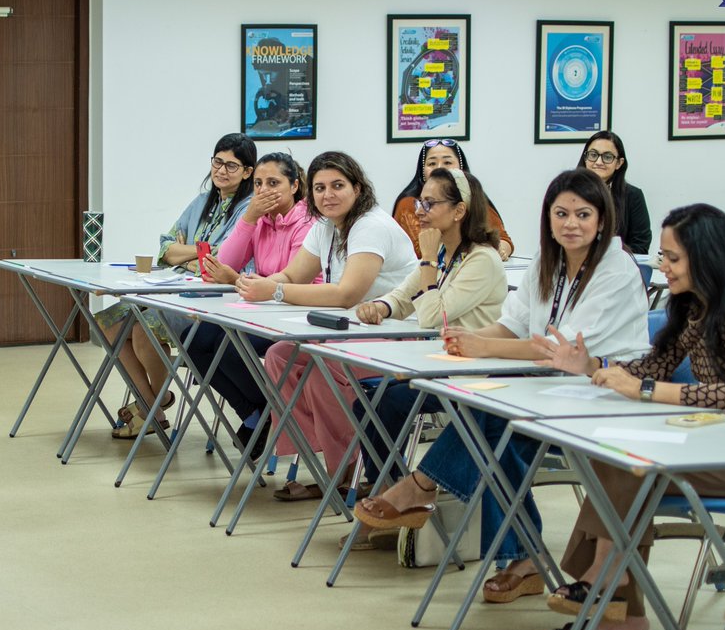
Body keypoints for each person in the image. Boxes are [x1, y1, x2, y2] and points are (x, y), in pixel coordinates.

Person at [354, 169, 649, 600]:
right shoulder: (548, 263)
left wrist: (479, 347)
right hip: (545, 384)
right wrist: (468, 342)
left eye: (583, 214)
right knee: (487, 419)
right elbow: (511, 326)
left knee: (491, 425)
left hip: (601, 392)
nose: (570, 223)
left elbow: (561, 351)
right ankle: (517, 555)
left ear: (602, 220)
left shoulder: (615, 268)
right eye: (560, 213)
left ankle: (425, 487)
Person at [537, 204, 725, 630]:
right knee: (618, 457)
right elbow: (655, 365)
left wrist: (644, 389)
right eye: (662, 256)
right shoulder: (695, 306)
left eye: (672, 258)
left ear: (708, 258)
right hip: (720, 443)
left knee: (634, 466)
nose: (661, 266)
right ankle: (618, 597)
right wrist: (593, 367)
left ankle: (610, 582)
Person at [236, 151, 417, 499]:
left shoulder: (370, 226)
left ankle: (343, 472)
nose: (327, 195)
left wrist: (273, 291)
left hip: (394, 336)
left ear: (357, 188)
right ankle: (318, 452)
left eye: (337, 186)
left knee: (321, 370)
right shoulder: (326, 226)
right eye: (319, 188)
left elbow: (348, 294)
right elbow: (293, 274)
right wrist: (258, 287)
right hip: (352, 332)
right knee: (280, 355)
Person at [345, 168, 508, 545]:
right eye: (421, 201)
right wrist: (381, 308)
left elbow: (434, 316)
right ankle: (391, 494)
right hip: (436, 366)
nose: (420, 210)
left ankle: (401, 500)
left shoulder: (480, 260)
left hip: (474, 374)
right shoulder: (443, 256)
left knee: (385, 399)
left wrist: (429, 260)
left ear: (459, 211)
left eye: (431, 203)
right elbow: (402, 297)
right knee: (367, 398)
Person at [95, 133, 254, 439]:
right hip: (172, 287)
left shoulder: (248, 210)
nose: (221, 170)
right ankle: (156, 401)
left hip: (210, 300)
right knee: (108, 324)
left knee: (142, 330)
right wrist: (198, 253)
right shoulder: (203, 201)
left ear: (248, 171)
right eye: (217, 162)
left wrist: (191, 253)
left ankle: (148, 410)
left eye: (231, 166)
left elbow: (221, 261)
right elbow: (166, 248)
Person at [183, 152, 317, 454]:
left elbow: (296, 279)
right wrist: (248, 218)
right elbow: (221, 265)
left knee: (231, 348)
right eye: (258, 183)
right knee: (195, 340)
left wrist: (237, 280)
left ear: (294, 185)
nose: (264, 190)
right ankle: (257, 411)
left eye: (273, 182)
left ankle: (268, 411)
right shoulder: (259, 220)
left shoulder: (307, 222)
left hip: (294, 310)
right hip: (259, 306)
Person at [391, 139, 514, 261]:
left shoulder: (473, 198)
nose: (439, 168)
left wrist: (500, 250)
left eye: (447, 162)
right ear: (423, 171)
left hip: (471, 264)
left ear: (461, 167)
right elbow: (421, 251)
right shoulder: (409, 203)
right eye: (432, 164)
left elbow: (502, 239)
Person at [576, 131, 651, 254]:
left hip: (619, 267)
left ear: (619, 163)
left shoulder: (633, 196)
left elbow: (641, 245)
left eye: (607, 157)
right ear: (585, 158)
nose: (599, 162)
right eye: (593, 155)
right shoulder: (568, 193)